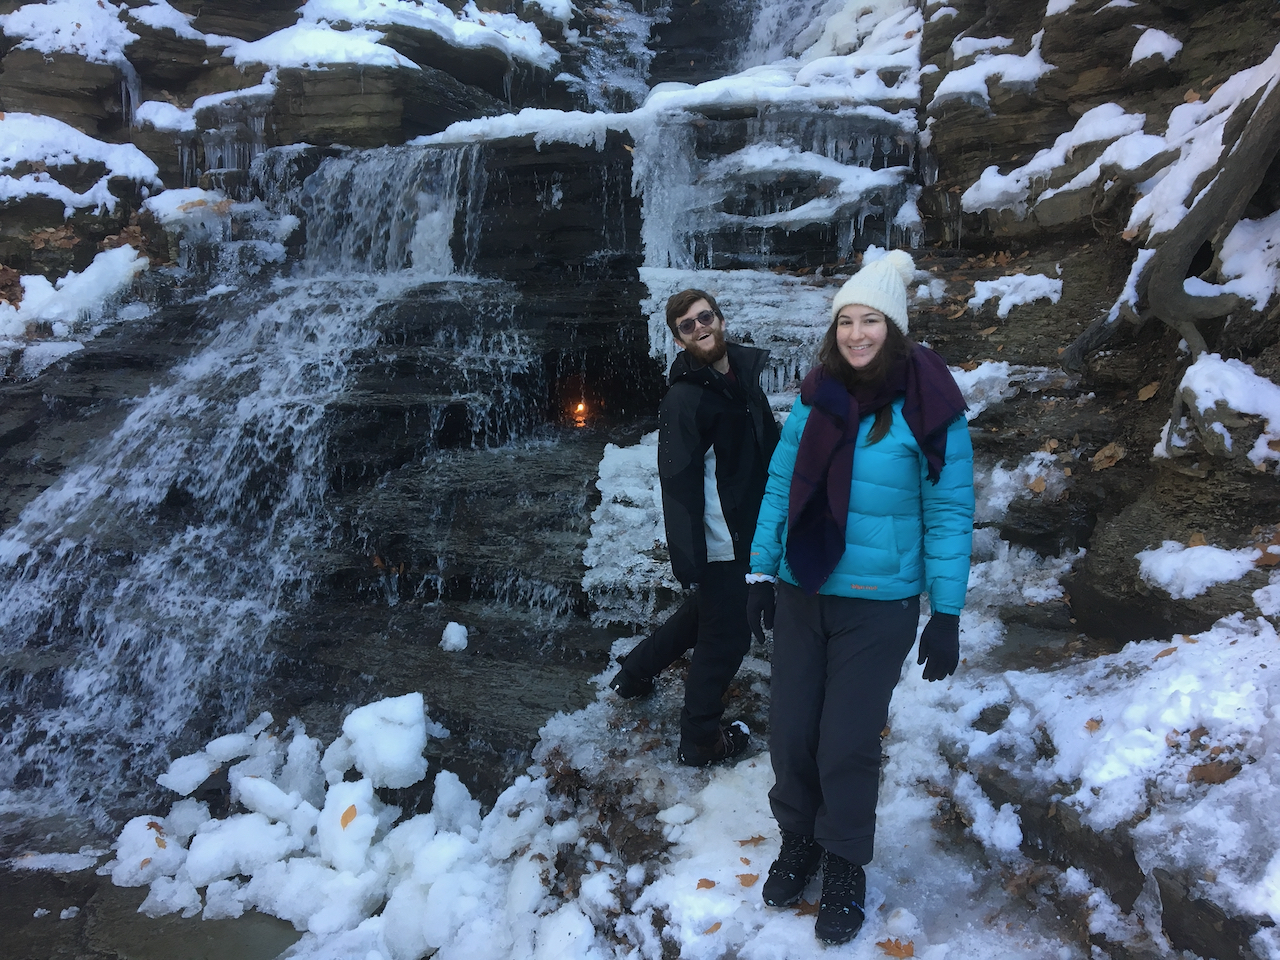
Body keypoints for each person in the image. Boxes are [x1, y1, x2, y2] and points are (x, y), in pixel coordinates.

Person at [746, 250, 974, 945]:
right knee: (791, 731)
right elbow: (782, 486)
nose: (855, 334)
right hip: (804, 588)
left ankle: (845, 860)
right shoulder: (817, 397)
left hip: (880, 602)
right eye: (845, 321)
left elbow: (950, 511)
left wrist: (948, 613)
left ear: (893, 326)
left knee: (846, 741)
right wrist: (759, 572)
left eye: (868, 320)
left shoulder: (929, 406)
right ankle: (800, 840)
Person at [608, 288, 780, 766]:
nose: (700, 327)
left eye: (705, 317)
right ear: (679, 340)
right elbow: (677, 483)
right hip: (725, 541)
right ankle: (700, 738)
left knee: (706, 615)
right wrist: (691, 560)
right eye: (688, 325)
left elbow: (770, 442)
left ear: (720, 319)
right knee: (726, 636)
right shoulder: (685, 399)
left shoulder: (743, 377)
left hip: (755, 527)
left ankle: (636, 672)